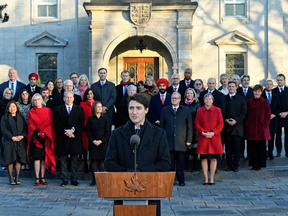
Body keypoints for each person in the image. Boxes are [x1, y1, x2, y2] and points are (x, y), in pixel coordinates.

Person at [104, 93, 171, 216]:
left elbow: (165, 163)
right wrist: (127, 172)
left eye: (138, 108)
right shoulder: (117, 134)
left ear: (146, 110)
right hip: (122, 189)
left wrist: (141, 171)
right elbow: (109, 163)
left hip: (150, 189)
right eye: (131, 108)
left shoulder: (159, 134)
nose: (134, 112)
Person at [160, 92, 192, 186]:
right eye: (172, 98)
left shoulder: (186, 110)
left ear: (180, 99)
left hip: (181, 141)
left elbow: (189, 126)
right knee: (169, 163)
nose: (174, 99)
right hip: (168, 141)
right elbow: (161, 127)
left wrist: (188, 140)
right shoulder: (164, 110)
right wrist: (162, 141)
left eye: (176, 98)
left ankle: (181, 180)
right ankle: (170, 181)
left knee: (181, 163)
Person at [53, 90, 85, 187]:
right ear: (63, 98)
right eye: (67, 97)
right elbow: (56, 123)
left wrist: (73, 130)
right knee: (63, 159)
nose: (69, 99)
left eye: (71, 97)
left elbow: (81, 122)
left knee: (74, 159)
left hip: (75, 137)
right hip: (63, 137)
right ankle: (64, 179)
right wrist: (66, 132)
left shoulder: (79, 109)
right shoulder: (58, 109)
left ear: (74, 98)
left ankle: (74, 179)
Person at [195, 93, 224, 185]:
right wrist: (203, 132)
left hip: (214, 138)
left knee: (214, 158)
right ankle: (205, 178)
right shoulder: (199, 111)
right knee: (203, 158)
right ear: (203, 101)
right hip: (203, 138)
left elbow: (221, 123)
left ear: (212, 100)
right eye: (206, 99)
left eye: (209, 99)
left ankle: (211, 178)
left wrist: (213, 132)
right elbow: (196, 123)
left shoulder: (217, 110)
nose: (208, 100)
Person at [28, 94, 56, 186]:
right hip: (36, 137)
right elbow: (30, 125)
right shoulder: (31, 112)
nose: (36, 101)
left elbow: (50, 122)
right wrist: (38, 133)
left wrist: (44, 132)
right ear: (33, 102)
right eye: (34, 100)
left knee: (44, 157)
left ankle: (42, 177)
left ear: (41, 100)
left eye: (38, 99)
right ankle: (37, 178)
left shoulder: (48, 110)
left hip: (45, 136)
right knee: (37, 158)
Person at [0, 101, 27, 185]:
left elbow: (25, 129)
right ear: (8, 108)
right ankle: (11, 177)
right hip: (9, 141)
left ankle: (17, 177)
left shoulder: (21, 117)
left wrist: (22, 136)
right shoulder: (5, 117)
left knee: (18, 159)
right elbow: (4, 129)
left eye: (14, 106)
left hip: (20, 140)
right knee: (10, 158)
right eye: (10, 107)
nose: (12, 108)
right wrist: (12, 137)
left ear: (17, 108)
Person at [244, 85, 271, 171]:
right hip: (251, 128)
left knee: (260, 147)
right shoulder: (248, 102)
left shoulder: (265, 102)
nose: (257, 93)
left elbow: (268, 114)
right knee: (252, 147)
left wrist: (265, 124)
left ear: (261, 92)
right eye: (255, 91)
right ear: (253, 92)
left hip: (261, 128)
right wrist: (247, 124)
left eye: (259, 91)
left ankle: (260, 164)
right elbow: (245, 114)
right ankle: (253, 164)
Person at [223, 81, 247, 172]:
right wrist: (225, 119)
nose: (231, 88)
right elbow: (221, 111)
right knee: (228, 148)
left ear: (236, 87)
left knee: (237, 148)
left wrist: (236, 120)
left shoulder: (241, 99)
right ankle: (229, 165)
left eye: (233, 86)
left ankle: (236, 165)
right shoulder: (224, 98)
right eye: (230, 86)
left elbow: (244, 112)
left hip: (237, 127)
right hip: (227, 127)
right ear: (228, 87)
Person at [86, 101, 110, 186]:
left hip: (103, 143)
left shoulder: (106, 118)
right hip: (93, 143)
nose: (100, 108)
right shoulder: (90, 118)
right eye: (98, 107)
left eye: (101, 107)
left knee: (101, 161)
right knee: (94, 161)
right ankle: (94, 180)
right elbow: (87, 130)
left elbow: (107, 131)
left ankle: (101, 180)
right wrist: (93, 140)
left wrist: (101, 141)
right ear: (94, 108)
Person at [181, 88, 201, 172]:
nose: (189, 95)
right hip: (184, 129)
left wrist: (190, 123)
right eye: (188, 93)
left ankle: (194, 166)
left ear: (194, 95)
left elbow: (198, 116)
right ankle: (186, 166)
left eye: (191, 93)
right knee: (185, 149)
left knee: (194, 149)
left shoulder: (197, 104)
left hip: (194, 129)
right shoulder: (182, 104)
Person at [262, 80, 281, 159]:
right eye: (267, 84)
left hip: (273, 119)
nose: (269, 86)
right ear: (265, 85)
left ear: (272, 86)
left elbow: (279, 107)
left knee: (271, 137)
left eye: (270, 84)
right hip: (264, 119)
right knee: (263, 138)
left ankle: (270, 152)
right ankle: (263, 153)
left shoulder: (276, 95)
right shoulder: (262, 95)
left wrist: (274, 114)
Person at [237, 74, 253, 158]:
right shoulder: (238, 91)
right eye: (244, 80)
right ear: (241, 82)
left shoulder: (252, 91)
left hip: (250, 117)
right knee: (241, 136)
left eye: (247, 80)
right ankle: (241, 153)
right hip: (241, 117)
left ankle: (250, 153)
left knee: (250, 136)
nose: (246, 82)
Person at [79, 88, 96, 173]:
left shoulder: (96, 103)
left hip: (95, 128)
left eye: (91, 93)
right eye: (88, 94)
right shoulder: (82, 104)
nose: (90, 95)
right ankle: (86, 164)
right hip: (85, 128)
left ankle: (93, 165)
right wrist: (87, 125)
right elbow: (82, 116)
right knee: (85, 148)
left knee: (93, 147)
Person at [272, 74, 288, 157]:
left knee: (287, 135)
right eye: (278, 80)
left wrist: (287, 112)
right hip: (277, 117)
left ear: (284, 81)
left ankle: (287, 152)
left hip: (287, 116)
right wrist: (278, 113)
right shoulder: (273, 91)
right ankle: (278, 151)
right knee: (277, 135)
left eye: (281, 80)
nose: (279, 81)